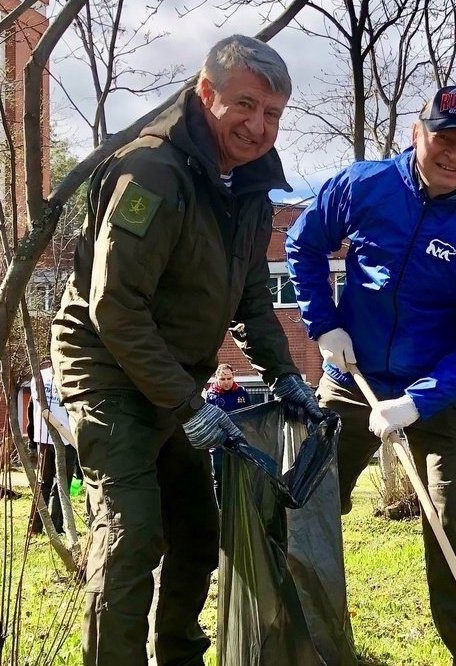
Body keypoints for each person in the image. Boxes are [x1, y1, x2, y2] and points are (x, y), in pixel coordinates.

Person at [50, 35, 324, 666]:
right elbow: (114, 308)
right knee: (131, 537)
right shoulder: (152, 172)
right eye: (244, 105)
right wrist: (188, 404)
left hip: (171, 379)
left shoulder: (248, 185)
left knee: (198, 531)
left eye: (273, 113)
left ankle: (178, 655)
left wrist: (285, 376)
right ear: (206, 93)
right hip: (107, 372)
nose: (258, 126)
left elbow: (251, 296)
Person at [285, 85, 456, 665]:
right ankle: (298, 639)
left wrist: (418, 401)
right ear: (418, 134)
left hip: (438, 393)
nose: (454, 154)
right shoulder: (364, 185)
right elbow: (302, 243)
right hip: (352, 378)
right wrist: (324, 325)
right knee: (308, 499)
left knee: (449, 511)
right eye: (444, 139)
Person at [27, 365, 79, 535]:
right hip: (67, 438)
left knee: (43, 483)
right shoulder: (70, 375)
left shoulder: (39, 377)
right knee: (62, 485)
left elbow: (31, 409)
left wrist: (32, 439)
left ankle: (34, 527)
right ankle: (56, 527)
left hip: (43, 438)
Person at [205, 363, 253, 502]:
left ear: (233, 377)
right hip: (219, 443)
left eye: (229, 378)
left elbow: (250, 416)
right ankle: (221, 509)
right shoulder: (211, 395)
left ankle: (239, 507)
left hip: (239, 442)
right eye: (222, 379)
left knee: (240, 477)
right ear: (217, 379)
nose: (226, 382)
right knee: (219, 478)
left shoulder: (242, 392)